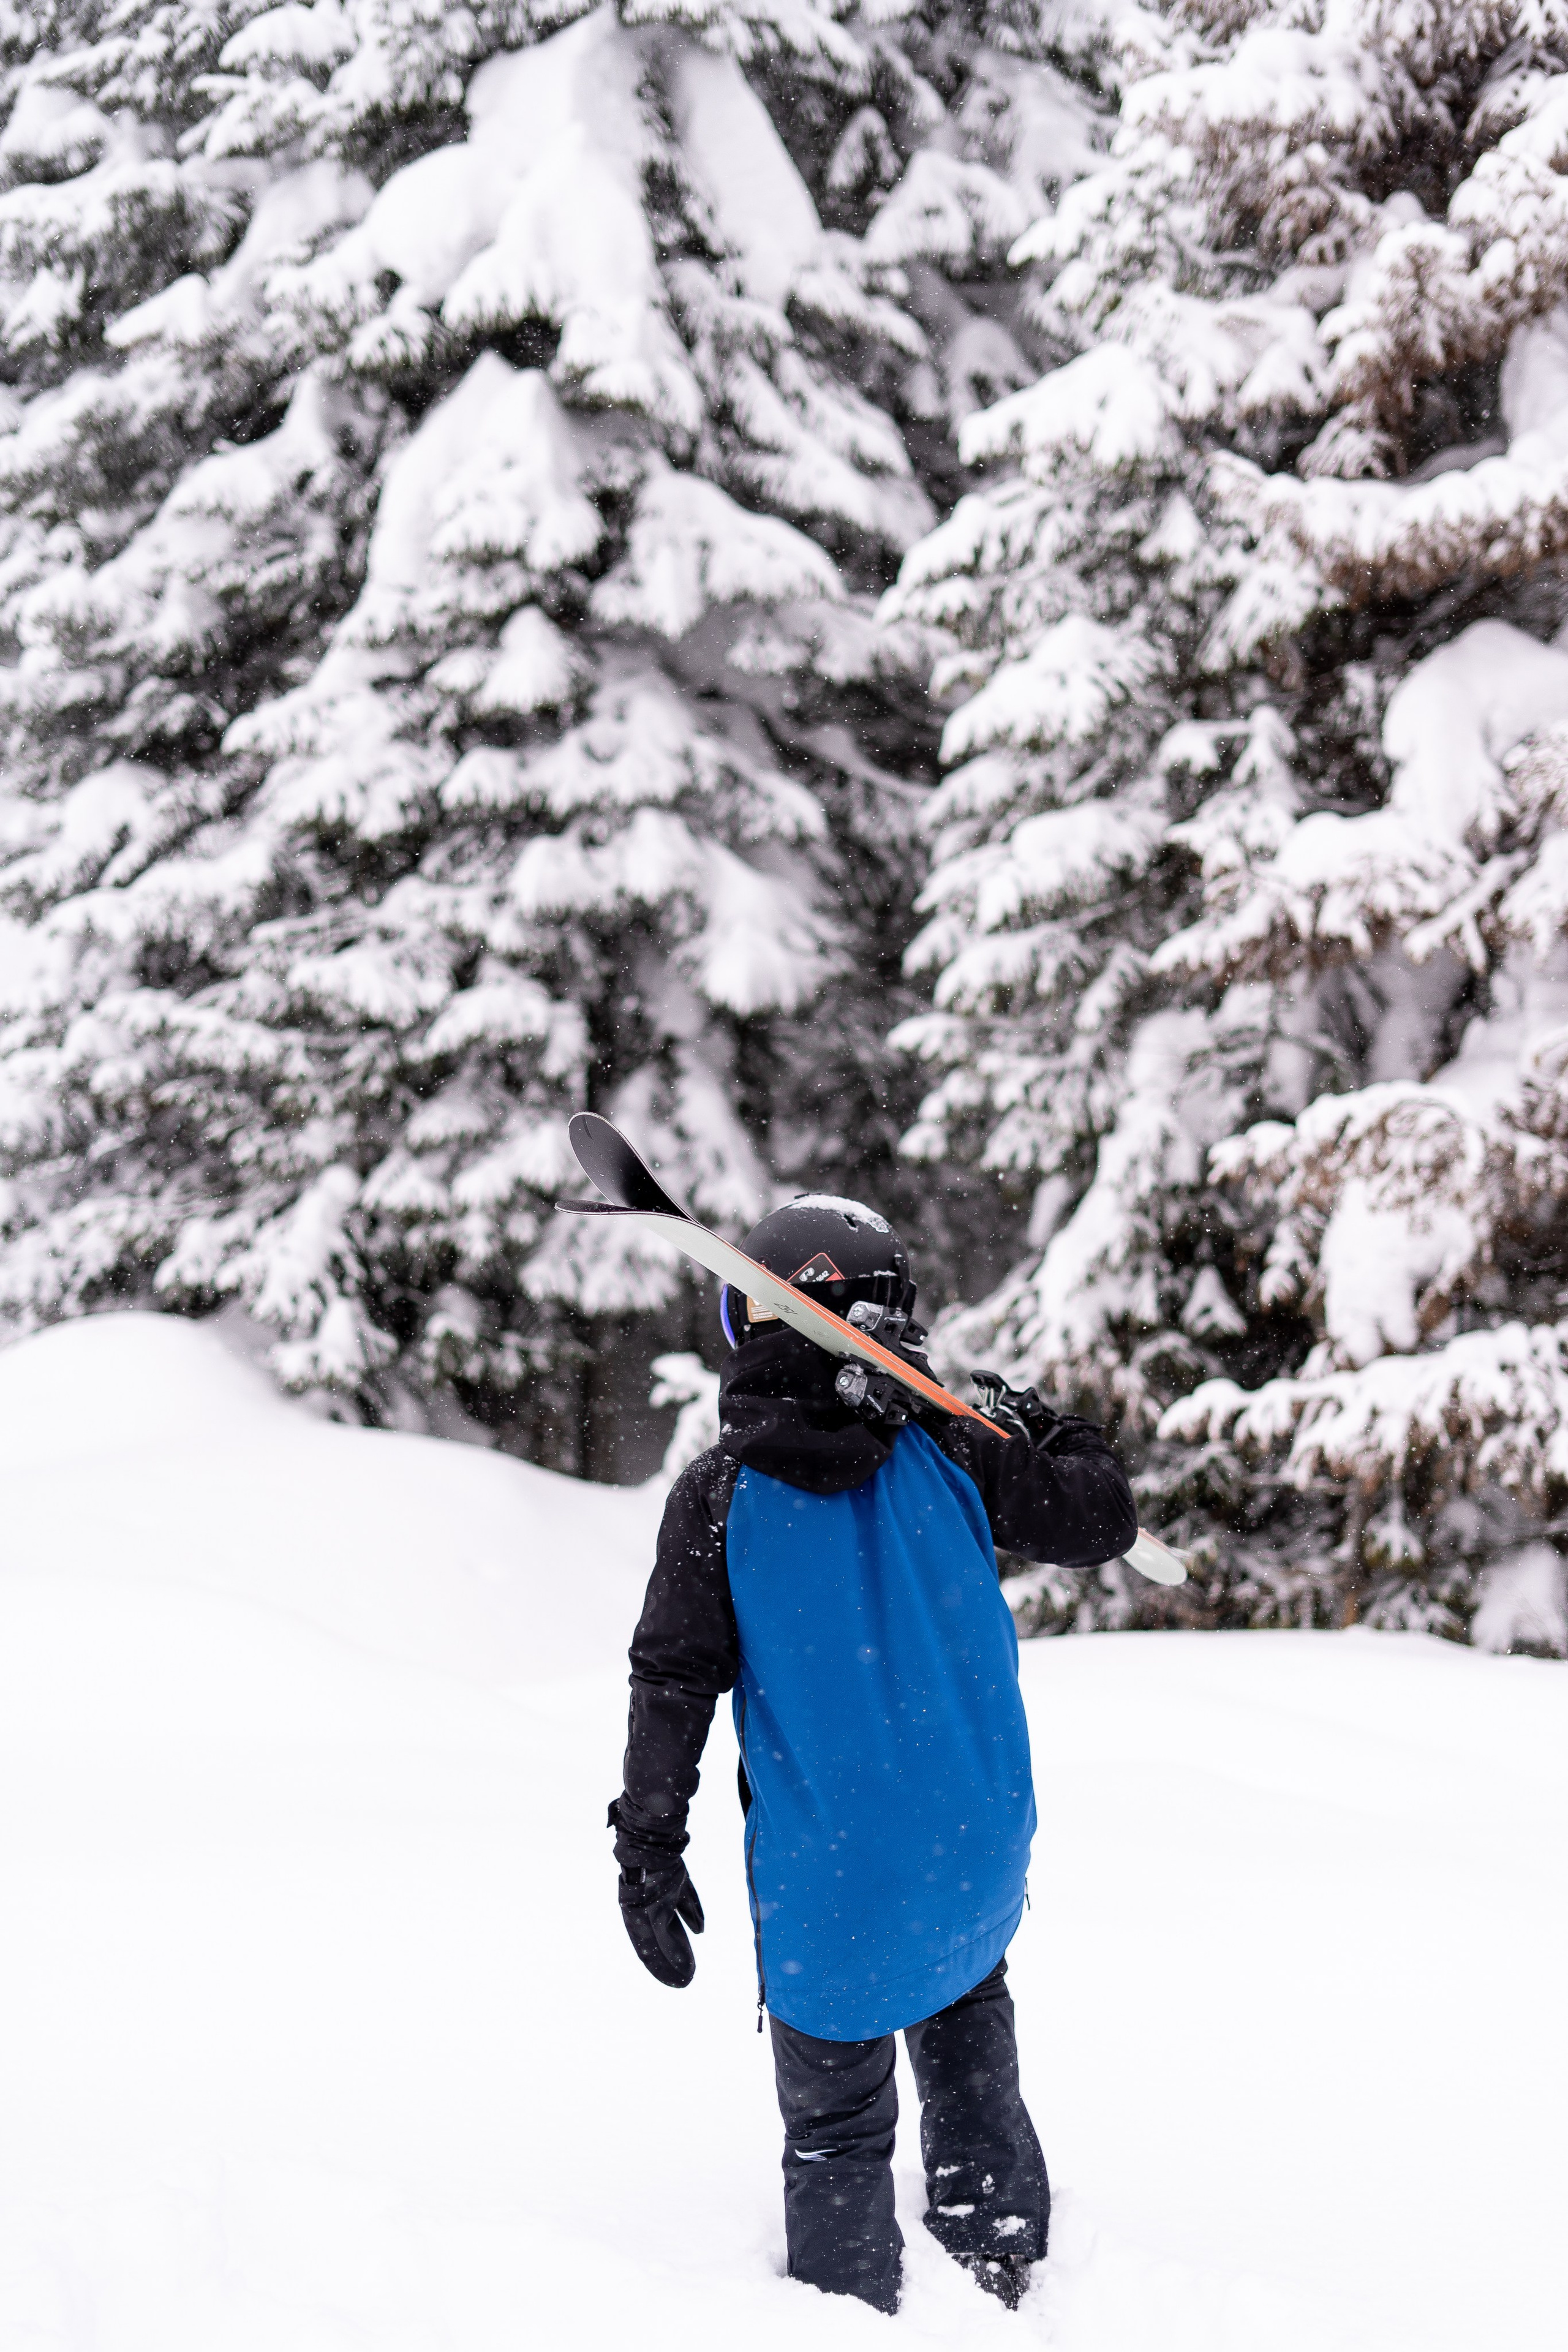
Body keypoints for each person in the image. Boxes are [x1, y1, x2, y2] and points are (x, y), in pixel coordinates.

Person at [608, 1194, 1138, 2315]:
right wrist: (1038, 1421)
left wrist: (647, 1846)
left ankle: (851, 2319)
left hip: (830, 1886)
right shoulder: (952, 1449)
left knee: (839, 2133)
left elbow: (672, 1684)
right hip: (969, 1849)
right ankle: (1005, 2278)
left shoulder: (718, 1499)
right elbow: (1101, 1517)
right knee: (970, 2061)